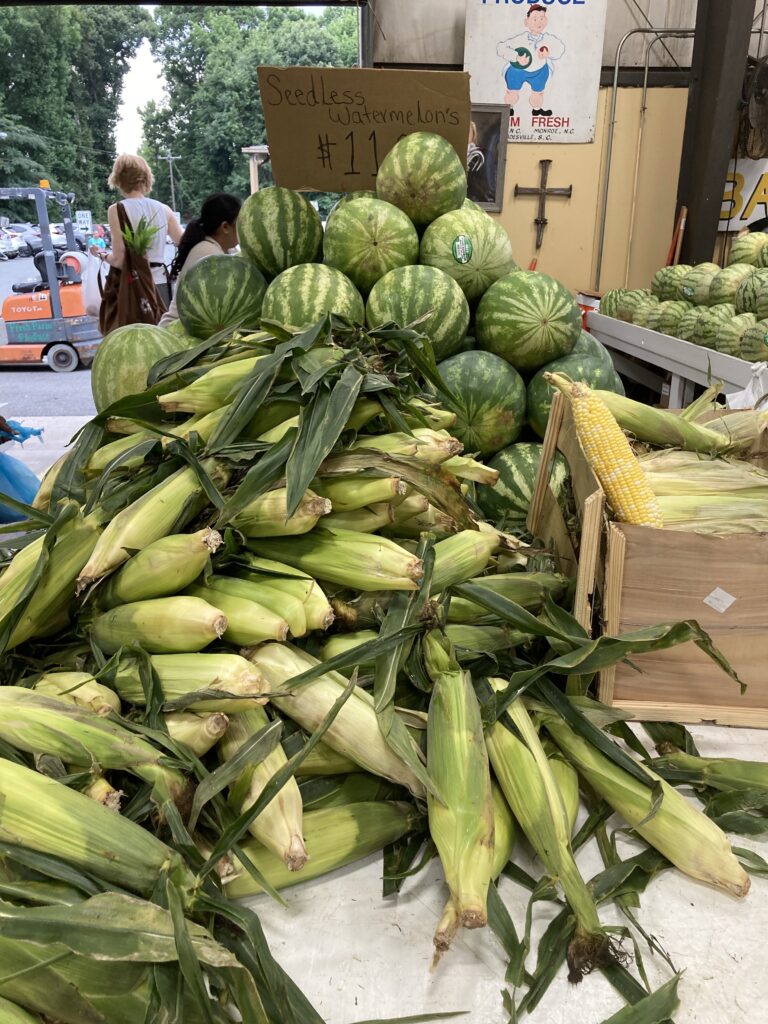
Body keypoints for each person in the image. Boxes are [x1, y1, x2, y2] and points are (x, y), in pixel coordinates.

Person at [100, 154, 183, 307]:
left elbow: (119, 260)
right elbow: (183, 242)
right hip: (161, 284)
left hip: (133, 285)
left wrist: (102, 255)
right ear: (146, 178)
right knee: (162, 329)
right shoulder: (164, 209)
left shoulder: (116, 210)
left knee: (136, 330)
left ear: (118, 179)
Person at [158, 193, 241, 327]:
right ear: (225, 227)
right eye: (241, 222)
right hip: (177, 332)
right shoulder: (209, 254)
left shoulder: (223, 250)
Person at [497, 4, 565, 117]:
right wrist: (516, 57)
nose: (539, 22)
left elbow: (560, 48)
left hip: (539, 71)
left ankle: (537, 109)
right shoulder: (520, 39)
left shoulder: (548, 39)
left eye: (542, 18)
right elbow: (501, 47)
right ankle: (509, 108)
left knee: (538, 93)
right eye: (535, 19)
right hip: (518, 70)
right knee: (512, 91)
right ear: (526, 22)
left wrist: (549, 52)